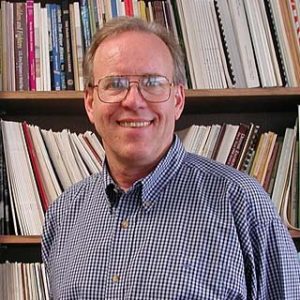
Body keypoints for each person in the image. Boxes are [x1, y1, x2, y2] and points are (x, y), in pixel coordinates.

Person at [42, 16, 300, 299]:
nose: (133, 101)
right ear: (91, 103)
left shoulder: (241, 204)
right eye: (115, 83)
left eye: (152, 82)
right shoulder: (62, 216)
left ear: (177, 100)